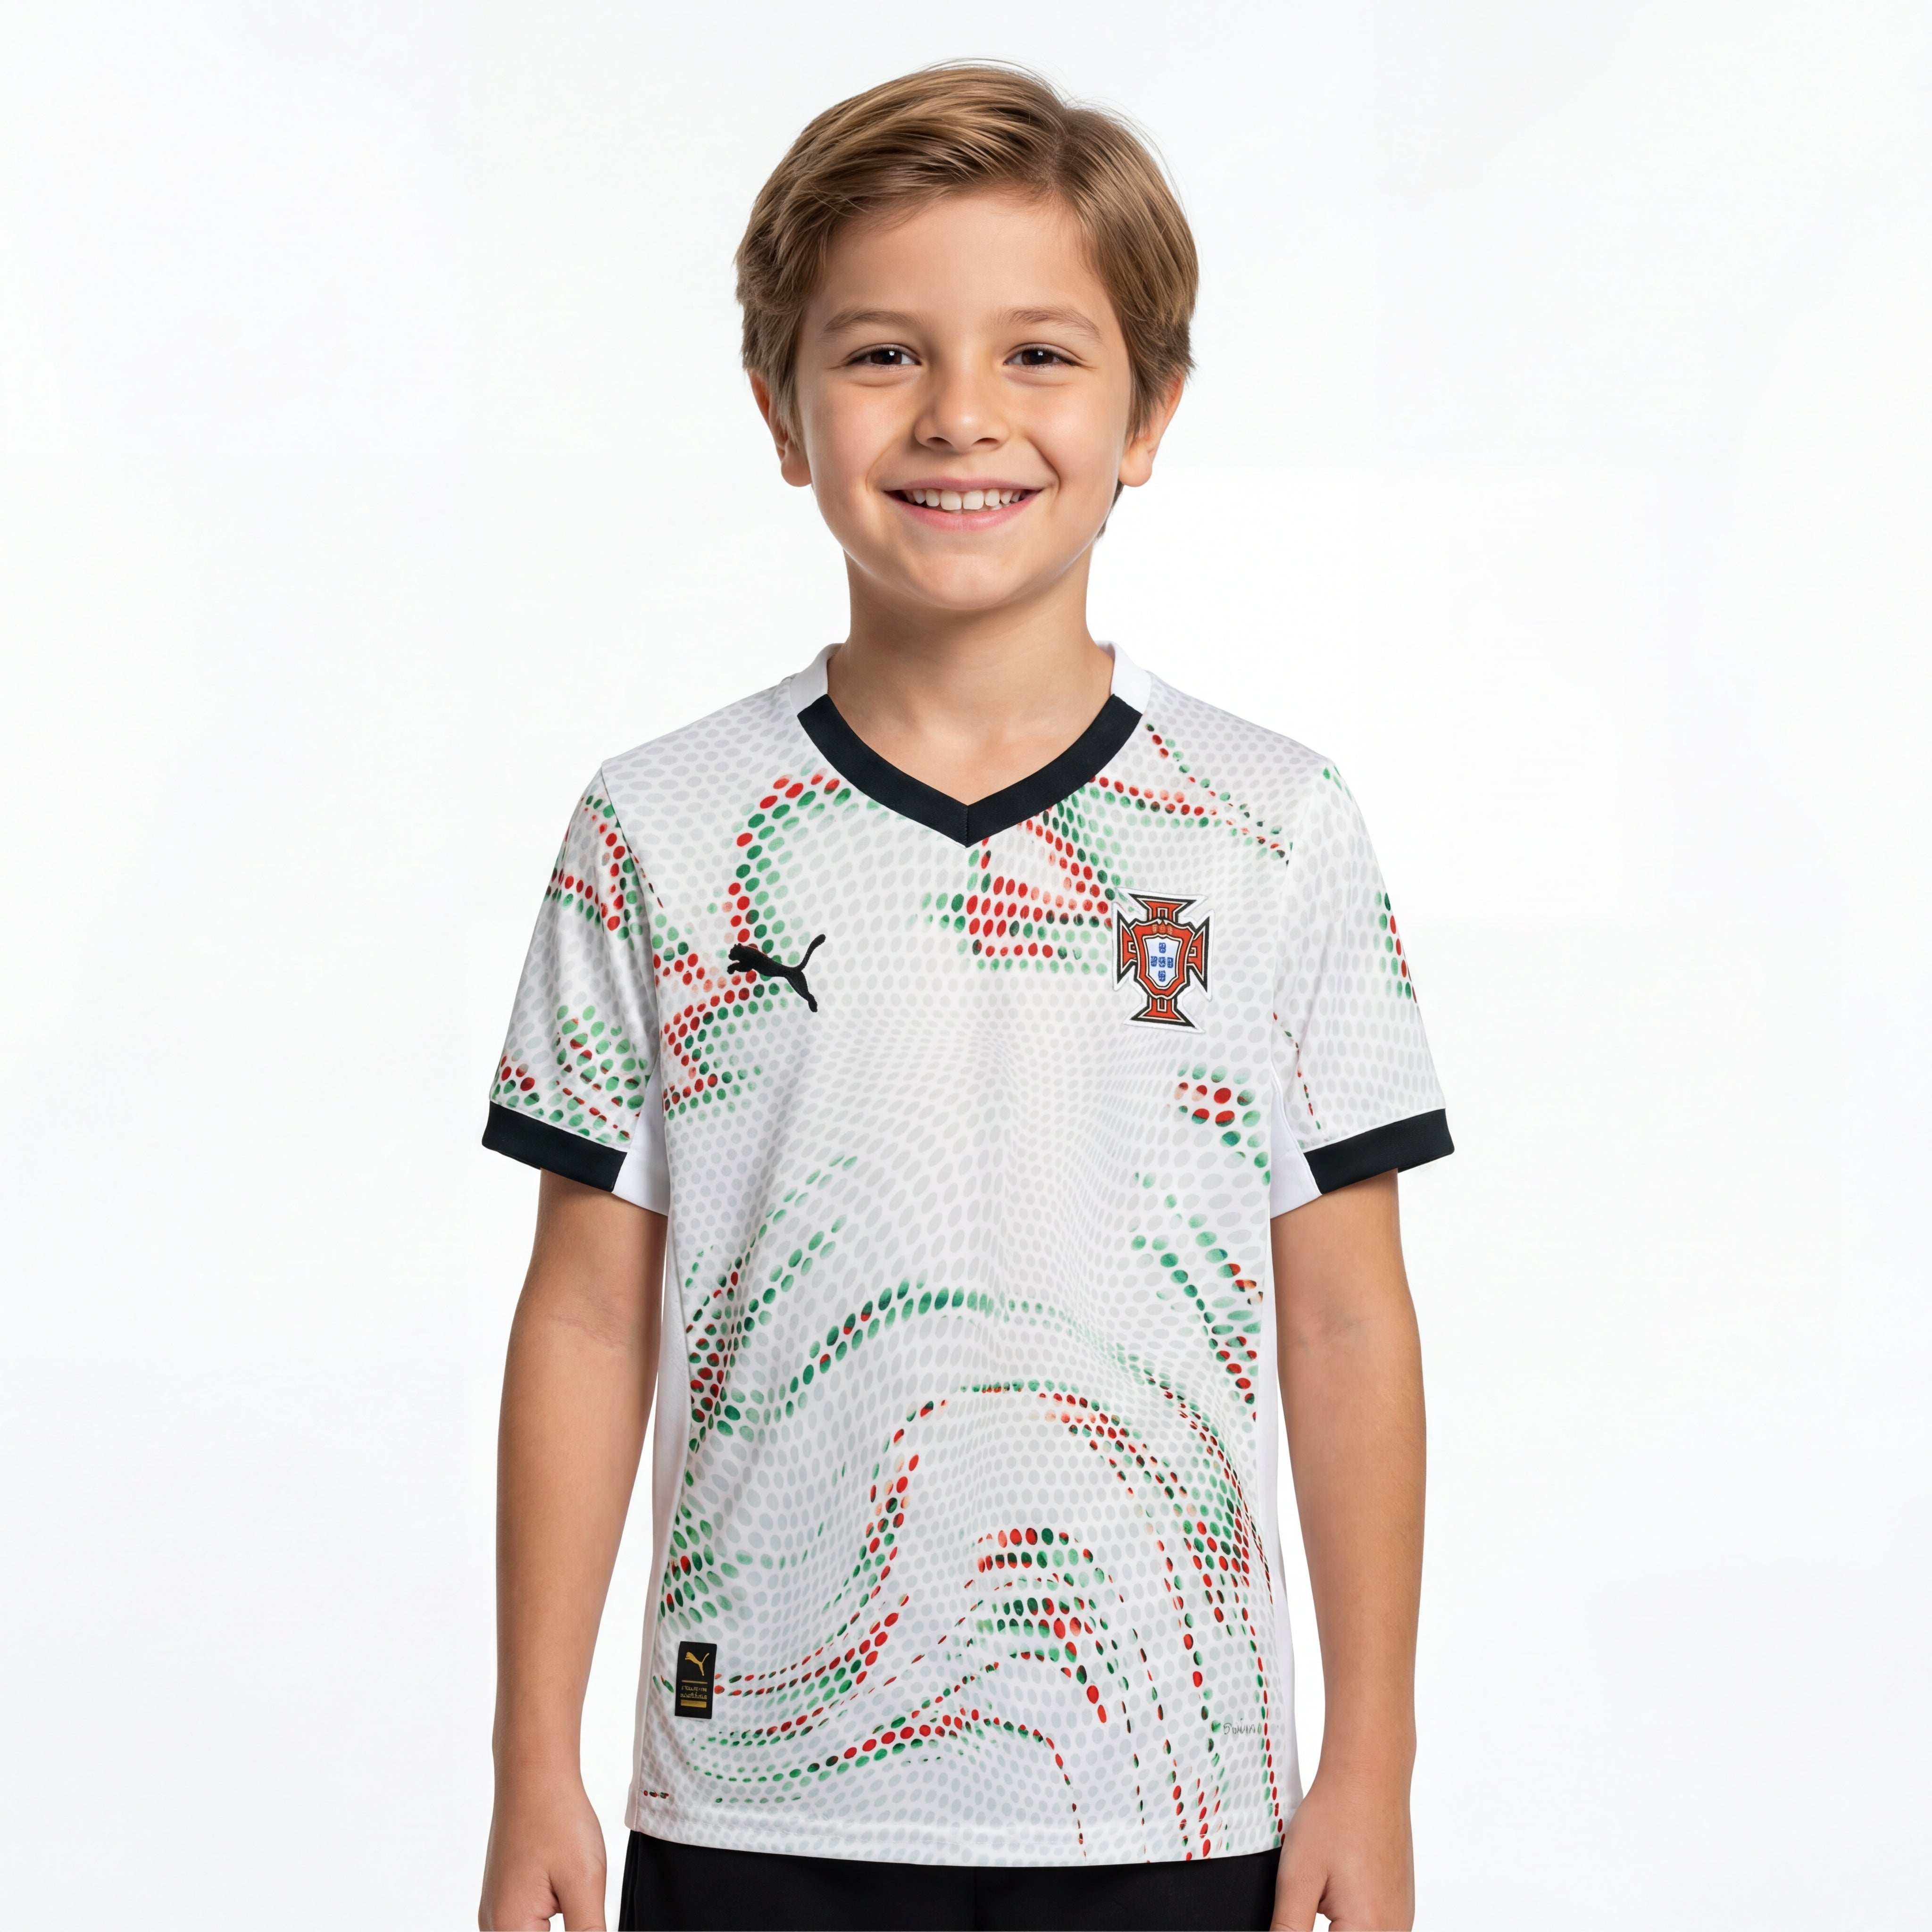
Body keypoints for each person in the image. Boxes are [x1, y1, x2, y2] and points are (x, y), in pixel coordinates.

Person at [477, 62, 1451, 1932]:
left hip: (1168, 1795)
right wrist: (534, 1759)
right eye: (881, 355)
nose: (958, 416)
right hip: (757, 1790)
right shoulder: (661, 827)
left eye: (1038, 355)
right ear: (780, 409)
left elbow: (1344, 1322)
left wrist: (1373, 1762)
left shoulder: (1273, 826)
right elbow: (586, 1319)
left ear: (1148, 412)